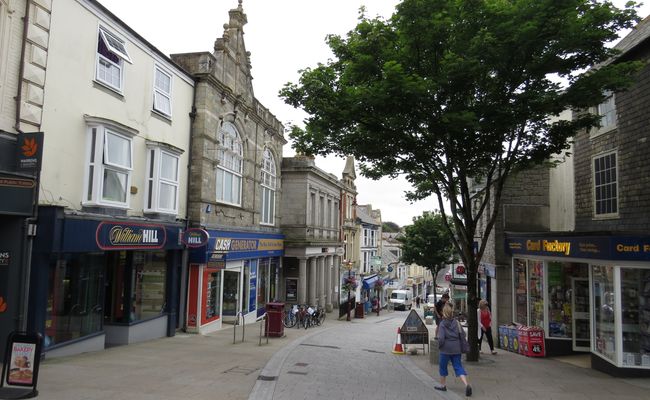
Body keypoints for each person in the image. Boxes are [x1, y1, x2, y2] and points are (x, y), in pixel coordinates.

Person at [435, 303, 472, 397]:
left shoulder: (442, 324)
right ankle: (466, 384)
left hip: (445, 349)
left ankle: (443, 385)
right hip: (456, 348)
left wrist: (439, 346)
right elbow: (463, 334)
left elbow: (441, 338)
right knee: (458, 366)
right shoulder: (457, 322)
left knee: (443, 366)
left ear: (444, 312)